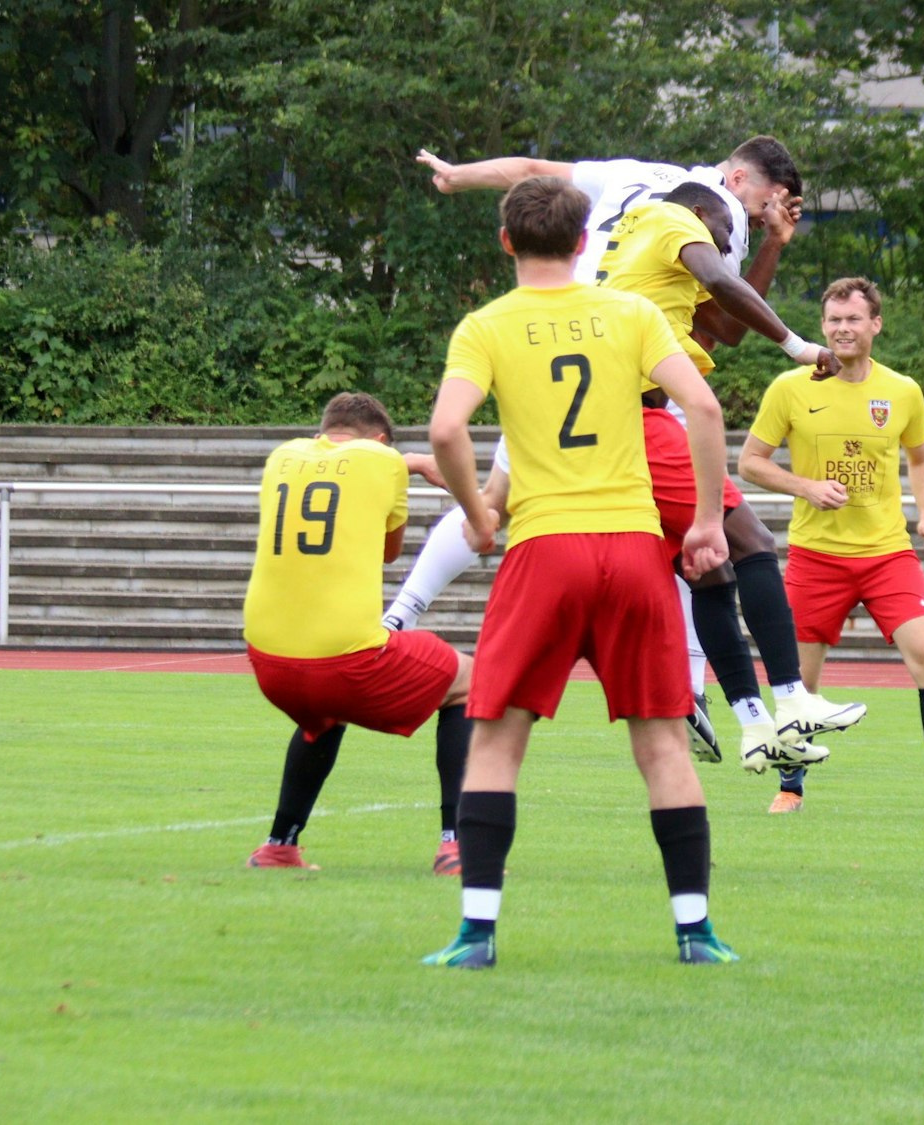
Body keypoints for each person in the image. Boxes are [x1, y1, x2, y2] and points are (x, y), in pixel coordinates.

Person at [394, 138, 828, 762]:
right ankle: (723, 694)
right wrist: (795, 336)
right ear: (737, 180)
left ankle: (401, 615)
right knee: (719, 541)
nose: (763, 216)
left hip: (551, 355)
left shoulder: (632, 177)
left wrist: (457, 176)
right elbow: (724, 332)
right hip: (633, 382)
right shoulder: (716, 216)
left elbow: (531, 170)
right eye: (767, 203)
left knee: (499, 505)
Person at [418, 176, 737, 969]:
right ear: (584, 241)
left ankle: (477, 934)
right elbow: (704, 408)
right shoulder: (631, 313)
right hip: (631, 548)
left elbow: (447, 429)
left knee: (497, 744)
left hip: (545, 549)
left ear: (505, 241)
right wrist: (705, 521)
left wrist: (478, 514)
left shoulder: (487, 325)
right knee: (662, 745)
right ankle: (695, 931)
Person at [596, 180, 864, 772]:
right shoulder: (670, 218)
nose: (720, 250)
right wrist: (797, 346)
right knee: (752, 543)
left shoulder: (640, 249)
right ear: (699, 213)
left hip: (614, 426)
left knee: (709, 570)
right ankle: (794, 700)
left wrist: (772, 244)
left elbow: (730, 322)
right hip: (635, 419)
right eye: (720, 236)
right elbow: (720, 280)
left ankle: (754, 725)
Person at [739, 277, 924, 822]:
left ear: (875, 324)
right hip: (816, 556)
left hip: (886, 554)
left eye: (853, 319)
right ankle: (790, 789)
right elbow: (750, 463)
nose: (842, 329)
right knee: (800, 682)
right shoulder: (790, 388)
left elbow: (922, 458)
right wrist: (806, 487)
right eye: (834, 320)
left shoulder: (902, 391)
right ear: (822, 326)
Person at [240, 392, 473, 875]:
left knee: (324, 716)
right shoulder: (382, 461)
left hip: (267, 662)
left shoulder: (282, 458)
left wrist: (403, 463)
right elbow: (389, 551)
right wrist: (413, 463)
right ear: (382, 440)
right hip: (343, 662)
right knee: (471, 682)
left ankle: (279, 844)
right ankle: (457, 846)